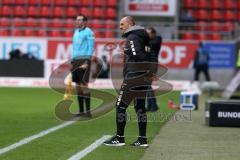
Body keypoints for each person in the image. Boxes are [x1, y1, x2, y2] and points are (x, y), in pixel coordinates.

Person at [104, 16, 151, 147]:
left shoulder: (133, 37)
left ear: (130, 25)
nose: (120, 27)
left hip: (134, 77)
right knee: (140, 108)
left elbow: (137, 55)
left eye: (122, 24)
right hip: (143, 77)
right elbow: (148, 55)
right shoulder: (143, 37)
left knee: (120, 106)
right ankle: (142, 139)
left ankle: (119, 138)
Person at [71, 14, 95, 117]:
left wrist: (86, 61)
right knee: (77, 86)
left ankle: (88, 112)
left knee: (84, 85)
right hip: (75, 61)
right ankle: (81, 111)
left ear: (85, 22)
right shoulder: (76, 32)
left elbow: (91, 47)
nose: (78, 22)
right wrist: (72, 60)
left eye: (80, 20)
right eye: (77, 20)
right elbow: (75, 48)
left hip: (84, 60)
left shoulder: (89, 32)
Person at [145, 27, 162, 112]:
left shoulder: (158, 39)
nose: (147, 35)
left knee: (147, 85)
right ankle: (150, 105)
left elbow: (150, 45)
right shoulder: (148, 42)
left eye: (149, 34)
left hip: (152, 65)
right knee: (147, 85)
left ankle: (153, 105)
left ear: (153, 33)